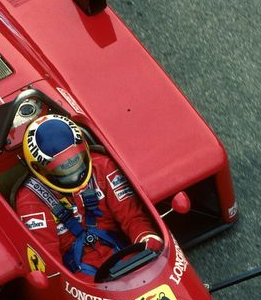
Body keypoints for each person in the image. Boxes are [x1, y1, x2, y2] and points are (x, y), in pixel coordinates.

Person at [15, 114, 162, 276]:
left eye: (75, 159)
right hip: (80, 277)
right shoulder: (30, 201)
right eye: (61, 167)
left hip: (126, 254)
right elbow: (49, 263)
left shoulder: (103, 166)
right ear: (39, 168)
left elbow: (132, 217)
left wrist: (148, 239)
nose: (73, 172)